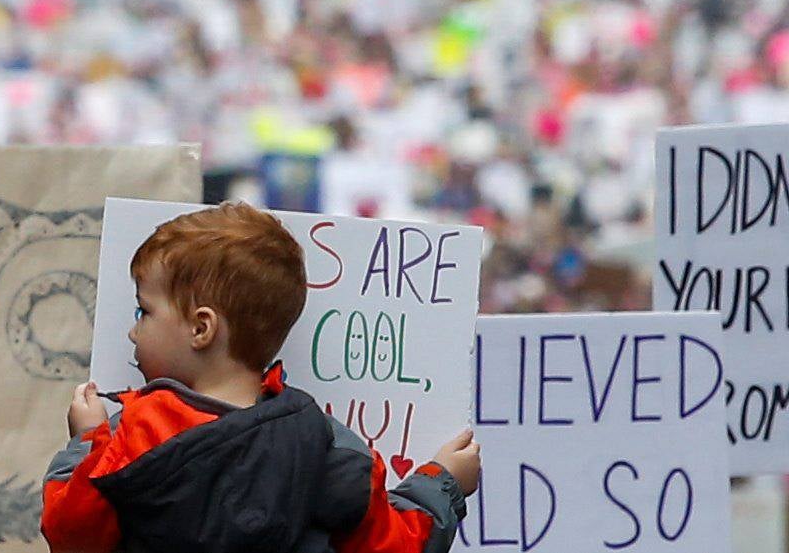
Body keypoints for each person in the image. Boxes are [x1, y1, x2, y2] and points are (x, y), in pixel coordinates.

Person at [40, 201, 479, 553]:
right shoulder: (327, 444)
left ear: (201, 328)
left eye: (144, 311)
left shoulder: (133, 436)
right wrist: (443, 483)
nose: (133, 330)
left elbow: (71, 535)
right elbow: (397, 544)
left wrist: (87, 442)